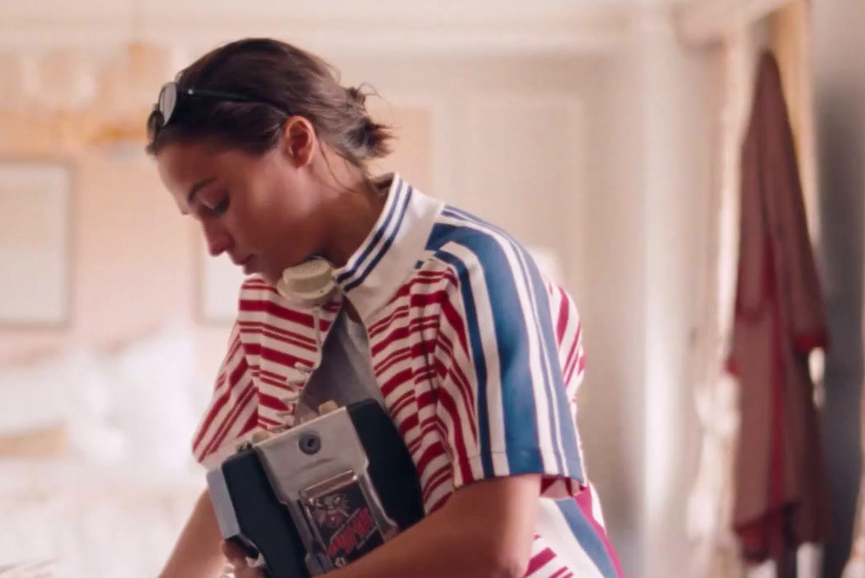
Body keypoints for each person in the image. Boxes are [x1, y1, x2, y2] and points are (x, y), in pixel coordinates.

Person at [149, 38, 623, 578]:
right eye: (198, 218)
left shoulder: (470, 273)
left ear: (298, 142)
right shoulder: (271, 300)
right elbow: (230, 485)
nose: (214, 244)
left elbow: (493, 547)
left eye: (219, 204)